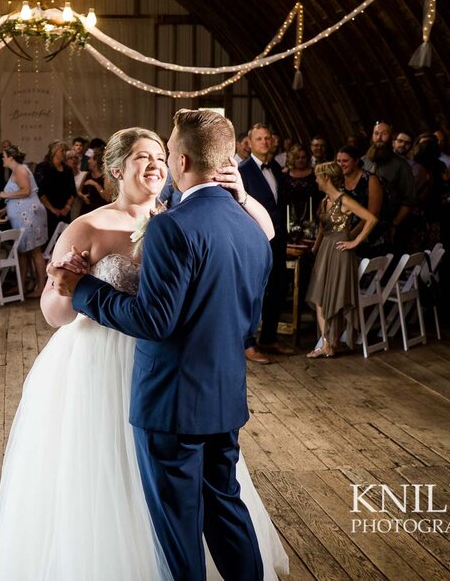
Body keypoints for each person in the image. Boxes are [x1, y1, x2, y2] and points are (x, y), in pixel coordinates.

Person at [33, 115, 286, 581]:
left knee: (178, 516)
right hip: (144, 372)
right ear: (115, 169)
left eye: (161, 155)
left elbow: (155, 319)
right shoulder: (91, 226)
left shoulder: (174, 221)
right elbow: (54, 310)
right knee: (207, 501)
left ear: (179, 162)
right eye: (143, 157)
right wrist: (68, 288)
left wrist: (87, 289)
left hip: (166, 383)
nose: (156, 164)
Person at [306, 162, 379, 358]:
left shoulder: (344, 200)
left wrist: (354, 240)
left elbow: (371, 218)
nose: (316, 180)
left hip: (340, 251)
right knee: (319, 296)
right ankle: (327, 342)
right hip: (325, 250)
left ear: (326, 178)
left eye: (317, 177)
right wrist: (314, 249)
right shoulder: (324, 201)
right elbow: (323, 229)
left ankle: (331, 343)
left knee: (335, 296)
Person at [239, 123, 295, 364]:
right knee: (253, 293)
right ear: (249, 143)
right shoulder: (242, 171)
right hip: (254, 242)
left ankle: (269, 338)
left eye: (267, 138)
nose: (264, 142)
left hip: (278, 240)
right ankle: (247, 343)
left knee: (278, 289)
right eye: (259, 138)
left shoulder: (276, 167)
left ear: (273, 142)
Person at [0, 145, 48, 298]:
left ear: (11, 157)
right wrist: (5, 210)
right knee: (22, 252)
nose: (2, 159)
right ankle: (23, 285)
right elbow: (21, 195)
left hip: (29, 217)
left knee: (35, 251)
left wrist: (5, 195)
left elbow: (26, 191)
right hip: (23, 216)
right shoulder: (17, 170)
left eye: (4, 156)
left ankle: (41, 288)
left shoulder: (20, 170)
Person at [364, 121, 417, 253]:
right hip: (363, 224)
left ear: (391, 138)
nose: (379, 138)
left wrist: (395, 223)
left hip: (387, 226)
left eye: (384, 134)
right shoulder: (363, 161)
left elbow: (409, 199)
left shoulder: (401, 165)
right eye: (376, 133)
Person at [336, 145, 386, 257]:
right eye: (338, 161)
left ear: (357, 161)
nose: (341, 164)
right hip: (345, 234)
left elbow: (373, 213)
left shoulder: (370, 179)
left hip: (369, 235)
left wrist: (351, 236)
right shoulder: (339, 181)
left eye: (345, 161)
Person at [35, 141, 77, 242]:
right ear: (54, 151)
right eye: (62, 150)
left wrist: (67, 207)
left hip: (64, 211)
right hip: (47, 211)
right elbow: (40, 191)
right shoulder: (43, 167)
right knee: (48, 241)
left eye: (65, 151)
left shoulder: (67, 169)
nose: (64, 153)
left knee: (65, 240)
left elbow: (72, 191)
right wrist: (52, 209)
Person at [285, 144, 320, 226]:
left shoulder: (315, 174)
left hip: (312, 215)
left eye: (303, 157)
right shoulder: (285, 175)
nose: (300, 160)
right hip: (290, 216)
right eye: (297, 158)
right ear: (293, 159)